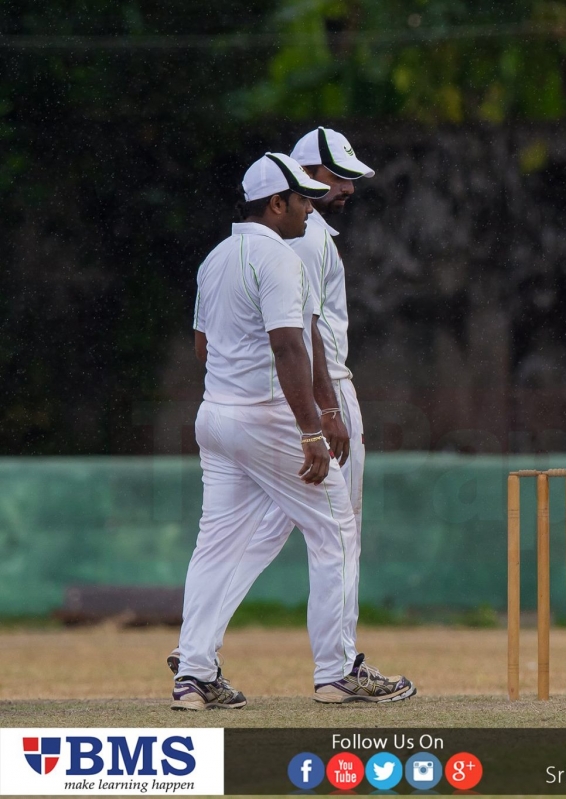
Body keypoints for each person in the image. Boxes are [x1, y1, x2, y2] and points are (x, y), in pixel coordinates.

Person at [174, 152, 411, 710]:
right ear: (276, 204)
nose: (311, 208)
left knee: (216, 545)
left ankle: (194, 674)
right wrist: (311, 429)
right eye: (303, 199)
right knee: (336, 532)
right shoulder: (280, 259)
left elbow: (202, 346)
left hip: (215, 417)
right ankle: (336, 672)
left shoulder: (215, 257)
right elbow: (289, 346)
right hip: (268, 419)